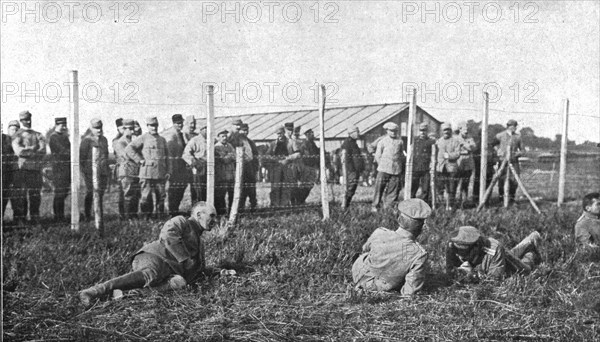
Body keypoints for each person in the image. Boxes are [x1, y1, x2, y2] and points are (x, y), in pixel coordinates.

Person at [79, 201, 218, 307]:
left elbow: (199, 269)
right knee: (151, 274)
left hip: (170, 271)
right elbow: (168, 234)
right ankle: (93, 291)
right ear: (199, 215)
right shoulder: (181, 222)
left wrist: (220, 271)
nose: (215, 221)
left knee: (179, 282)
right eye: (211, 216)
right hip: (155, 257)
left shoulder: (200, 243)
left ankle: (126, 295)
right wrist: (185, 259)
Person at [352, 198, 432, 296]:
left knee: (366, 254)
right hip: (384, 288)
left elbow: (365, 249)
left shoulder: (379, 232)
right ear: (421, 227)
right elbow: (411, 290)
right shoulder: (418, 254)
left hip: (358, 276)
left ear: (399, 219)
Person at [446, 226, 542, 281]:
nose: (458, 255)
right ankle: (529, 242)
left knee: (525, 271)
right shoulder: (452, 246)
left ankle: (531, 250)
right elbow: (450, 273)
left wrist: (473, 275)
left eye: (463, 252)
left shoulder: (493, 250)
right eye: (456, 251)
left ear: (475, 248)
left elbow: (495, 279)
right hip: (497, 259)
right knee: (511, 254)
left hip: (497, 257)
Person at [126, 116, 170, 219]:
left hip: (160, 173)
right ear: (147, 126)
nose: (154, 128)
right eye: (151, 126)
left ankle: (160, 217)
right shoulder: (143, 138)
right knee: (146, 197)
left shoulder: (162, 140)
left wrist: (168, 171)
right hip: (147, 173)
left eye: (155, 125)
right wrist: (139, 159)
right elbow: (129, 148)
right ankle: (147, 217)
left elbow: (167, 157)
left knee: (161, 197)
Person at [11, 110, 46, 223]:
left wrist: (29, 150)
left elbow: (43, 150)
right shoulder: (18, 135)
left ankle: (35, 219)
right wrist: (33, 149)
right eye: (25, 120)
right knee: (21, 197)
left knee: (35, 196)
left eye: (29, 119)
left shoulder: (37, 134)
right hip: (23, 170)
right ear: (21, 121)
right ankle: (21, 220)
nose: (28, 121)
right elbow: (19, 152)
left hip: (35, 170)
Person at [79, 118, 110, 222]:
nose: (99, 130)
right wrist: (85, 171)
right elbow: (82, 158)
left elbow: (105, 155)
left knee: (101, 193)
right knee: (91, 192)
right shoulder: (86, 140)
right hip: (90, 172)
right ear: (91, 128)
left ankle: (98, 214)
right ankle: (87, 214)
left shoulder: (104, 140)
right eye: (96, 128)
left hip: (103, 171)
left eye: (100, 127)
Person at [372, 122, 405, 212]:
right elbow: (378, 156)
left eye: (395, 131)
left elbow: (401, 154)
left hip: (396, 169)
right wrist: (382, 165)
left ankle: (388, 207)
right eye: (391, 131)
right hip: (383, 169)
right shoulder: (382, 141)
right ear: (387, 131)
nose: (393, 133)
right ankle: (375, 206)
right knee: (379, 188)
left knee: (393, 190)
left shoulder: (400, 141)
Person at [163, 114, 192, 216]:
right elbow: (170, 156)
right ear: (173, 124)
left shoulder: (183, 135)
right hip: (175, 168)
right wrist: (170, 170)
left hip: (183, 168)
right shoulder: (172, 137)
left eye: (181, 123)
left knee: (181, 189)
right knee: (174, 191)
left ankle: (176, 209)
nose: (180, 125)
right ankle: (172, 211)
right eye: (178, 123)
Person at [265, 126, 301, 207]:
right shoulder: (273, 144)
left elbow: (298, 154)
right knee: (275, 187)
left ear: (284, 133)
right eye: (277, 134)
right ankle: (275, 204)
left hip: (288, 168)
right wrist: (274, 159)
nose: (279, 135)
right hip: (276, 168)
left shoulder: (291, 142)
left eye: (280, 133)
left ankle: (287, 204)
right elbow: (267, 155)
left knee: (287, 187)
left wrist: (288, 158)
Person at [114, 119, 140, 219]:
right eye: (130, 129)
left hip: (135, 172)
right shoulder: (120, 142)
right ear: (124, 129)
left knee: (135, 195)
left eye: (133, 129)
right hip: (126, 172)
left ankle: (133, 215)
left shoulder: (132, 141)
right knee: (128, 195)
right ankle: (126, 218)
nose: (132, 131)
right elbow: (127, 155)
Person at [492, 119, 523, 204]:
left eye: (515, 126)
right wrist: (498, 151)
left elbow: (521, 150)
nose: (513, 128)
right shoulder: (500, 135)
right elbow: (493, 144)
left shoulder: (518, 137)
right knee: (502, 180)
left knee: (515, 181)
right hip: (503, 161)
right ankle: (501, 199)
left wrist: (518, 153)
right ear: (508, 126)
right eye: (511, 126)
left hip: (514, 161)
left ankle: (511, 198)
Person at [48, 117, 71, 222]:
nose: (64, 127)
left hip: (66, 168)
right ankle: (58, 217)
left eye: (65, 125)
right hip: (58, 169)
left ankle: (59, 215)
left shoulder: (65, 137)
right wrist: (72, 153)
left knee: (64, 192)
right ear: (57, 125)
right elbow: (62, 151)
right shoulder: (54, 137)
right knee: (60, 193)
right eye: (62, 125)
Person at [436, 123, 461, 210]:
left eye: (448, 130)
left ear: (450, 131)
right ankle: (441, 205)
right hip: (440, 168)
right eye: (444, 130)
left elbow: (458, 154)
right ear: (442, 131)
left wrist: (449, 156)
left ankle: (450, 206)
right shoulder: (438, 141)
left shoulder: (455, 142)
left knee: (451, 188)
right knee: (439, 188)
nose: (446, 132)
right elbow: (435, 153)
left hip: (451, 168)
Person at [183, 122, 208, 203]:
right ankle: (197, 210)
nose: (208, 131)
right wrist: (194, 163)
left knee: (207, 190)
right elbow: (185, 154)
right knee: (198, 191)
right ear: (201, 130)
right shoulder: (194, 140)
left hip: (209, 169)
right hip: (199, 169)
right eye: (205, 129)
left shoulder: (211, 140)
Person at [236, 123, 259, 212]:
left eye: (246, 130)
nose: (245, 132)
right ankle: (240, 209)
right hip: (241, 169)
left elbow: (255, 155)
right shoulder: (236, 141)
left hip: (250, 168)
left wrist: (256, 168)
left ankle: (253, 208)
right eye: (243, 130)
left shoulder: (250, 142)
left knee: (252, 190)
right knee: (242, 191)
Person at [341, 125, 365, 208]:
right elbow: (346, 159)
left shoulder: (353, 143)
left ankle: (346, 205)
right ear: (351, 133)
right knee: (350, 188)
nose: (358, 133)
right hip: (351, 170)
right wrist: (351, 170)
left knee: (352, 187)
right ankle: (344, 205)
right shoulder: (347, 143)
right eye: (356, 132)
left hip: (355, 169)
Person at [411, 123, 434, 204]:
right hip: (415, 167)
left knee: (425, 188)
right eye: (421, 131)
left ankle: (424, 204)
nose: (422, 132)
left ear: (427, 131)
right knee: (413, 187)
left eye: (424, 131)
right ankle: (412, 202)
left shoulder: (431, 141)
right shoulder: (414, 140)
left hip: (426, 168)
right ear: (419, 131)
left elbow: (433, 154)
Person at [214, 130, 236, 215]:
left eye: (226, 136)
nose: (224, 138)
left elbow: (235, 156)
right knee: (220, 196)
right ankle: (221, 213)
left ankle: (231, 212)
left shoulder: (230, 146)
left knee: (232, 195)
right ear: (218, 137)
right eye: (222, 136)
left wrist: (229, 156)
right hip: (221, 176)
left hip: (230, 175)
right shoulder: (216, 147)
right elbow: (223, 159)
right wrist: (230, 156)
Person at [455, 121, 476, 207]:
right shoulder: (455, 138)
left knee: (466, 183)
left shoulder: (470, 139)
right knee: (456, 182)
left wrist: (463, 145)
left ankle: (465, 200)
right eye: (464, 129)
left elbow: (473, 147)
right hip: (458, 162)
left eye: (467, 130)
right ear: (460, 129)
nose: (466, 131)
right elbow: (455, 150)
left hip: (468, 163)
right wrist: (467, 147)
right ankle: (457, 201)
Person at [298, 128, 320, 204]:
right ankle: (300, 200)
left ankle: (301, 200)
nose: (313, 135)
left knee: (310, 185)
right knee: (306, 185)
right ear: (307, 135)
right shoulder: (305, 145)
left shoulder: (312, 144)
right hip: (307, 167)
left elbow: (317, 153)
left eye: (312, 133)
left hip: (312, 167)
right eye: (311, 133)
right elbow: (308, 157)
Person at [113, 118, 125, 219]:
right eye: (122, 127)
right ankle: (122, 215)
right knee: (122, 193)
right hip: (121, 168)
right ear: (118, 128)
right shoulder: (117, 140)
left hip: (130, 168)